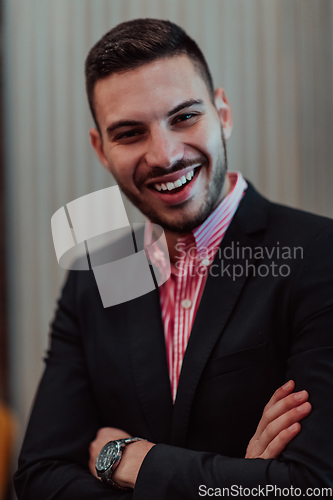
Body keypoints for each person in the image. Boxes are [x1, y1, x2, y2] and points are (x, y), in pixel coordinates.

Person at [14, 19, 333, 499]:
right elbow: (39, 477)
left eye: (184, 117)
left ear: (222, 112)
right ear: (101, 149)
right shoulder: (94, 279)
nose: (164, 155)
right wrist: (236, 482)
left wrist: (128, 461)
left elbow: (310, 486)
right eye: (129, 133)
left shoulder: (319, 255)